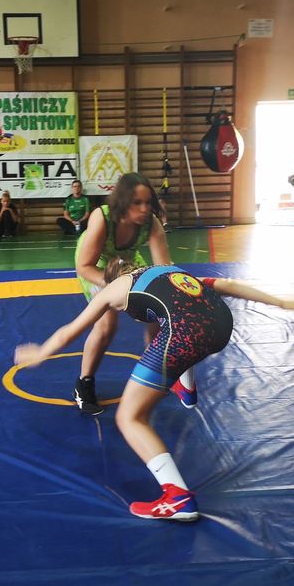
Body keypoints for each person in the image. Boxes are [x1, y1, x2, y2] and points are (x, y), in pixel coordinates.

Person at [15, 259, 294, 521]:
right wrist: (283, 303)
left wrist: (41, 352)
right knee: (169, 339)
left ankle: (177, 498)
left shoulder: (111, 290)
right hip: (221, 326)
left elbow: (71, 330)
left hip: (184, 333)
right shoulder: (168, 273)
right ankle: (186, 386)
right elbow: (227, 284)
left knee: (129, 417)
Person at [73, 172, 180, 416]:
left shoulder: (151, 223)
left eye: (148, 203)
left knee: (157, 312)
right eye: (137, 203)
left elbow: (164, 269)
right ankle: (84, 384)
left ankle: (155, 372)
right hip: (97, 264)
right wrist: (116, 285)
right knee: (106, 324)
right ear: (123, 202)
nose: (144, 209)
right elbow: (84, 266)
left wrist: (172, 293)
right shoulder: (102, 217)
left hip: (126, 261)